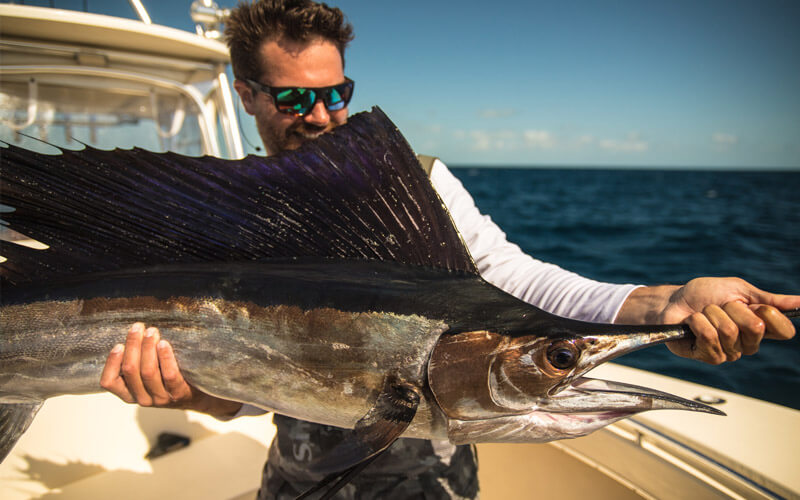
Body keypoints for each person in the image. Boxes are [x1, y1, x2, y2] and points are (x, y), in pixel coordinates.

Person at [99, 1, 800, 498]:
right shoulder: (230, 219)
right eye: (292, 98)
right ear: (246, 95)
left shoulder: (420, 187)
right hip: (300, 481)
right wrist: (196, 395)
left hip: (434, 483)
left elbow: (515, 283)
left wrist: (661, 303)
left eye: (336, 93)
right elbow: (248, 393)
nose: (321, 116)